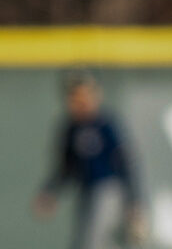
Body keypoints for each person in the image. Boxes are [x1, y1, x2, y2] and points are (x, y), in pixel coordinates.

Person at [34, 71, 147, 249]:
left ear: (96, 95)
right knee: (91, 242)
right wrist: (50, 191)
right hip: (86, 192)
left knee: (91, 242)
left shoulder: (106, 124)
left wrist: (134, 203)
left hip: (110, 190)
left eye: (85, 95)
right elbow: (66, 167)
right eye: (75, 97)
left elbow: (127, 163)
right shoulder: (71, 128)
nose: (81, 101)